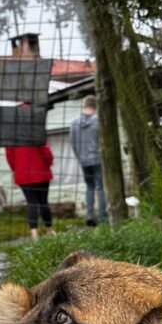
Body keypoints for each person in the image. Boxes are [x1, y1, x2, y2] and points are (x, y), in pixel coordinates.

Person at [70, 95, 107, 227]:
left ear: (84, 105)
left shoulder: (74, 122)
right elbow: (104, 141)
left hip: (83, 160)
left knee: (89, 187)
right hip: (97, 158)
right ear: (95, 106)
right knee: (101, 187)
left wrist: (80, 157)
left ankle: (90, 215)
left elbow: (73, 143)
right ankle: (103, 217)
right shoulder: (98, 121)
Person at [5, 142, 54, 239]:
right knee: (43, 202)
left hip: (22, 173)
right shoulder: (36, 131)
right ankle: (49, 230)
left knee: (31, 202)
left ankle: (34, 233)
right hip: (40, 171)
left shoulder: (11, 136)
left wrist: (17, 168)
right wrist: (49, 162)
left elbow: (9, 156)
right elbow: (46, 151)